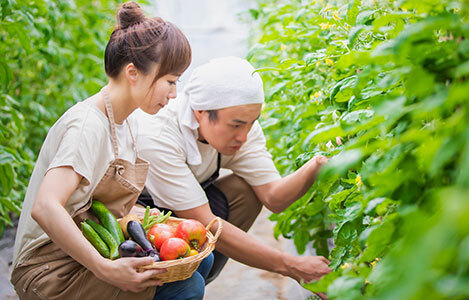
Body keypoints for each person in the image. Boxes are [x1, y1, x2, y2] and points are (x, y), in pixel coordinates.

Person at [10, 2, 213, 300]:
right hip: (48, 269)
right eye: (170, 81)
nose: (174, 93)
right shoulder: (87, 125)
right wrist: (104, 268)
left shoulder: (126, 122)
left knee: (203, 259)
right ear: (133, 72)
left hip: (85, 249)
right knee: (187, 287)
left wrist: (146, 216)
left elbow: (95, 205)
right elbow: (46, 206)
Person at [135, 56, 331, 286]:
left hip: (186, 211)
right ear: (200, 112)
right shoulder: (159, 135)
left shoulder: (243, 127)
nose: (244, 136)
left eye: (252, 122)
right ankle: (179, 284)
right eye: (236, 125)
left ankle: (196, 277)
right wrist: (290, 265)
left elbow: (274, 197)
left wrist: (318, 164)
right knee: (189, 275)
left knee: (245, 191)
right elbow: (205, 221)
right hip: (141, 217)